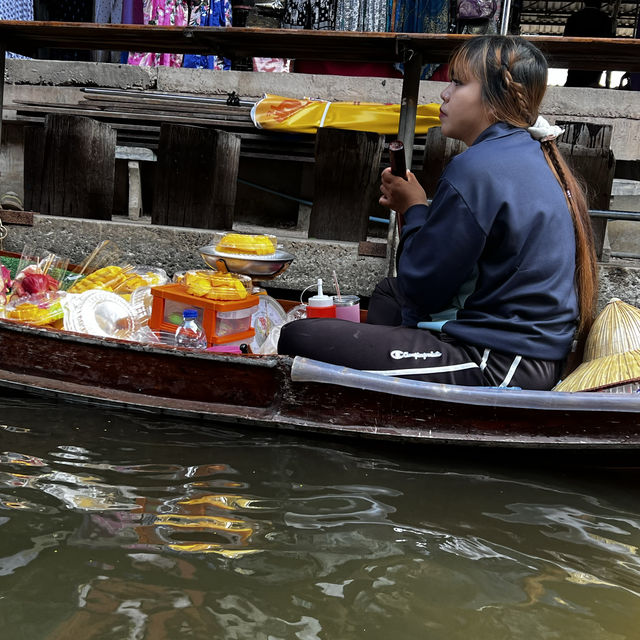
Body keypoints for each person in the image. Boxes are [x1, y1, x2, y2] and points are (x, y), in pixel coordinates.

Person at [278, 35, 598, 391]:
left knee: (299, 334)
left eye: (459, 82)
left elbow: (423, 287)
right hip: (530, 357)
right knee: (387, 294)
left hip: (498, 362)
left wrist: (413, 208)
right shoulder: (528, 154)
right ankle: (391, 370)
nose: (445, 93)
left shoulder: (477, 167)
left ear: (495, 100)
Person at [563, 0, 614, 88]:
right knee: (592, 81)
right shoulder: (606, 19)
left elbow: (566, 37)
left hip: (576, 57)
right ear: (600, 4)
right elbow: (610, 40)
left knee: (573, 81)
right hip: (596, 59)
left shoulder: (574, 17)